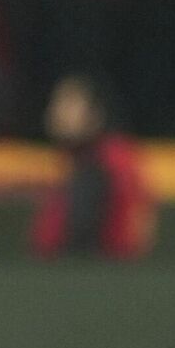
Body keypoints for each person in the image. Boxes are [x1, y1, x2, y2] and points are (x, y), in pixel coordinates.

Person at [30, 74, 155, 261]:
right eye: (56, 103)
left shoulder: (105, 162)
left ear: (95, 113)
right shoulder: (76, 158)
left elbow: (83, 234)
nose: (57, 112)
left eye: (70, 105)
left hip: (99, 269)